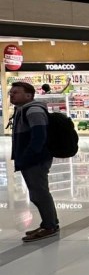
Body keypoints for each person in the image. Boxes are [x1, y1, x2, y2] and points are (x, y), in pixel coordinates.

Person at [9, 81, 59, 242]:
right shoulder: (22, 109)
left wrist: (28, 156)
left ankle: (49, 226)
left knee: (39, 193)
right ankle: (50, 223)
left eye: (16, 92)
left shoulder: (33, 110)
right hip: (31, 158)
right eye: (11, 92)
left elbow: (39, 137)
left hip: (35, 159)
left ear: (28, 95)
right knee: (38, 192)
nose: (12, 94)